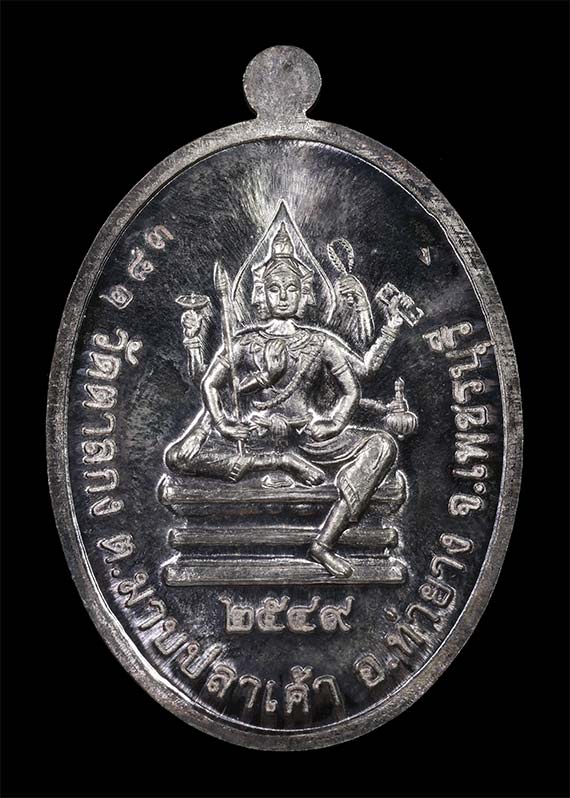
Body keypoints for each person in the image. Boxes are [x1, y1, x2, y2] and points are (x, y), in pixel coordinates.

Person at [165, 224, 404, 577]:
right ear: (261, 293)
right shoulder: (246, 341)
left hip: (307, 436)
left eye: (291, 288)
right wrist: (223, 424)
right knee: (177, 456)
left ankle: (325, 541)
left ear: (304, 294)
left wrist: (334, 423)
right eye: (274, 288)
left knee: (383, 445)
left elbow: (356, 382)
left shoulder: (319, 341)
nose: (282, 296)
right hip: (257, 434)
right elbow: (210, 383)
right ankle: (279, 461)